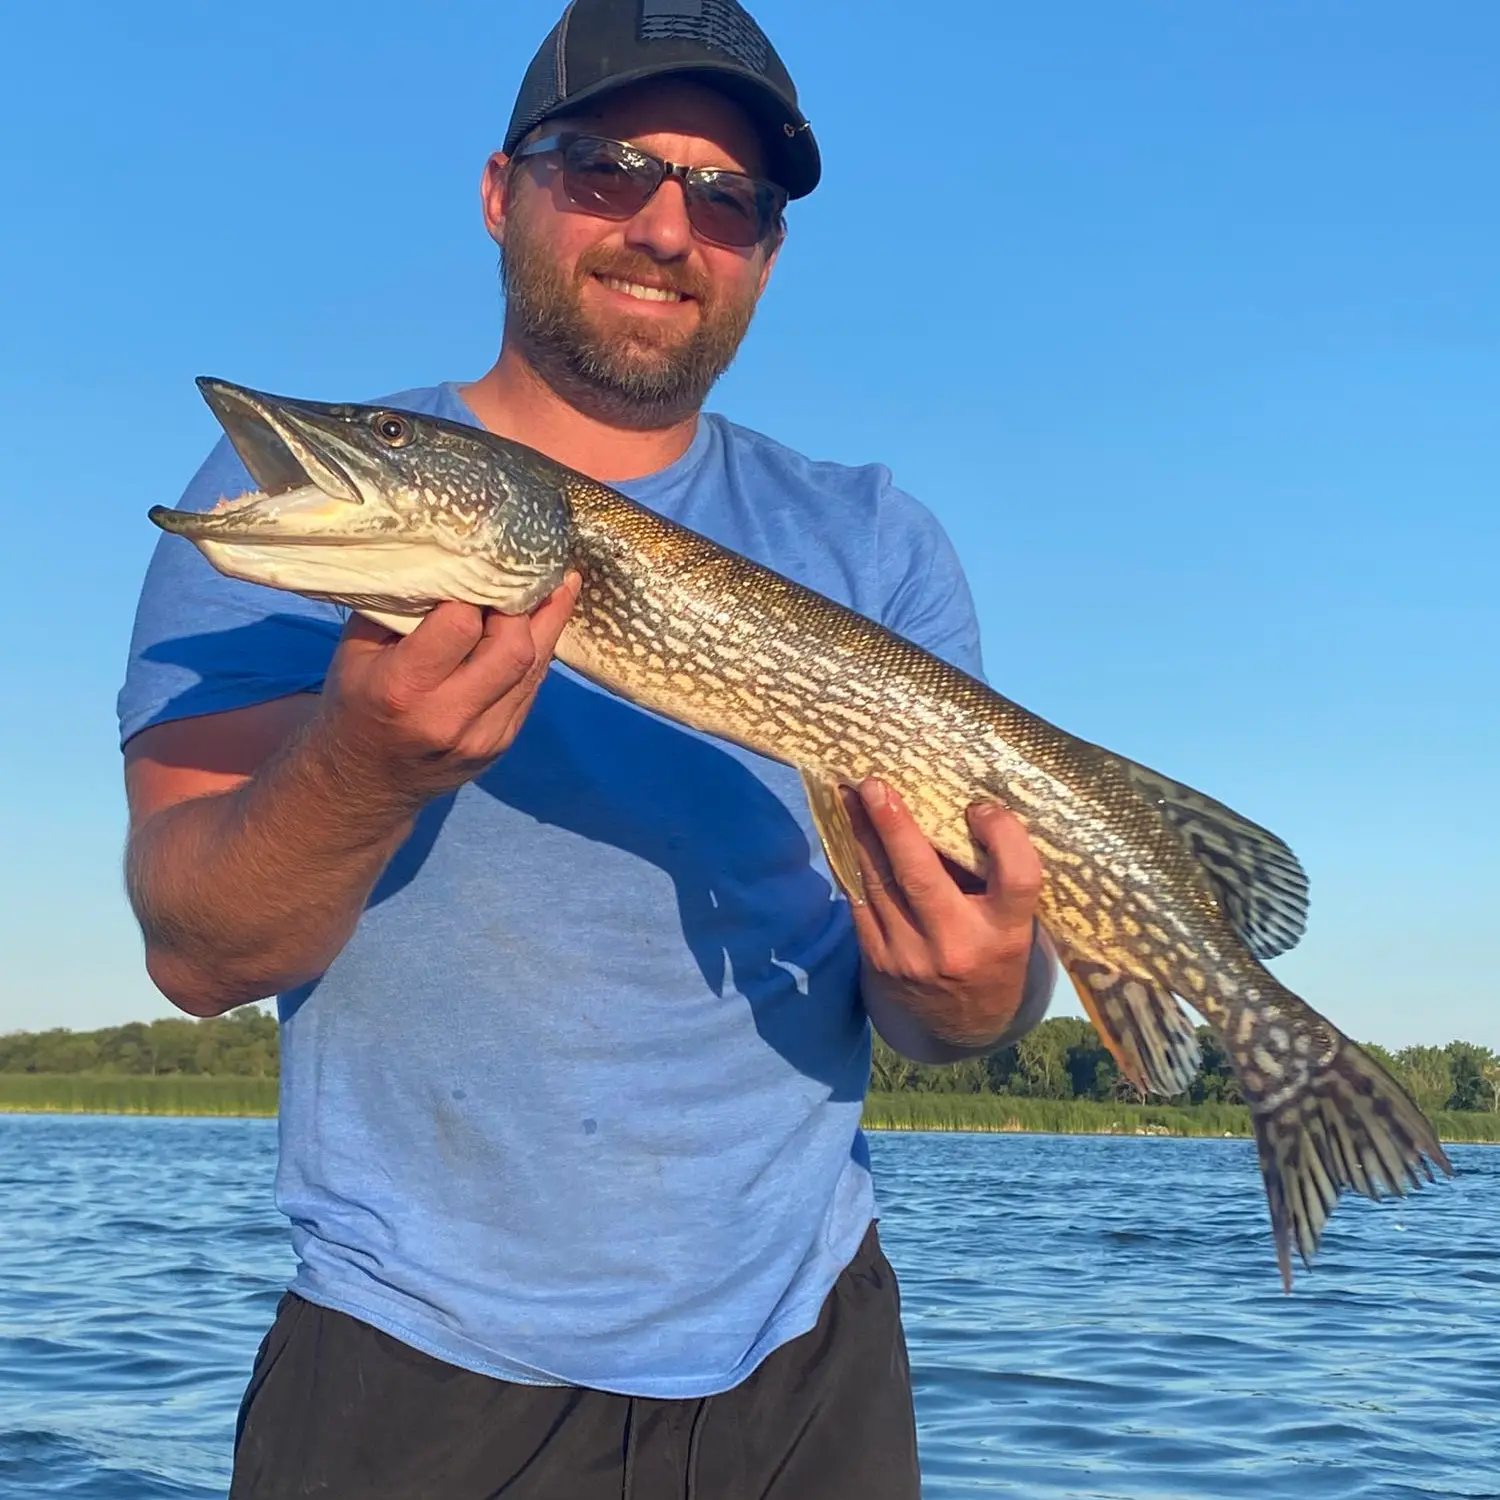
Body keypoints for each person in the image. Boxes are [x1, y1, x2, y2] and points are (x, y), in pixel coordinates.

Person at [118, 2, 1056, 1495]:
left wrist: (984, 986)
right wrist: (362, 766)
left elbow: (958, 1005)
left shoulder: (877, 539)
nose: (667, 225)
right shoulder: (306, 533)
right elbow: (195, 948)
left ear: (762, 252)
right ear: (503, 192)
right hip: (411, 1363)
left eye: (727, 197)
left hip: (806, 1361)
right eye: (609, 168)